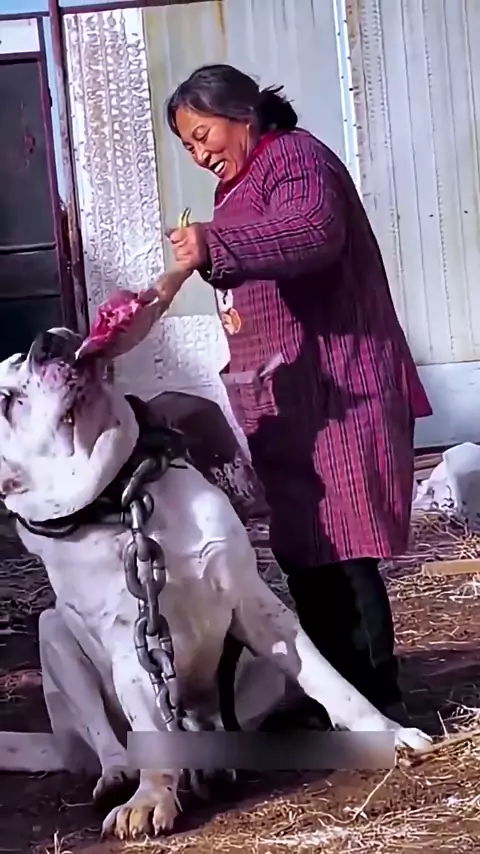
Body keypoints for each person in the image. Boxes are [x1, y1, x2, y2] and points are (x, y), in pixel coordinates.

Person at [164, 64, 432, 725]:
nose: (199, 154)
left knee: (343, 543)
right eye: (188, 145)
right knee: (304, 550)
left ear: (243, 115)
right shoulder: (238, 185)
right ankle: (331, 699)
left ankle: (377, 698)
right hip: (287, 400)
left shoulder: (295, 158)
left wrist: (214, 243)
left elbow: (312, 232)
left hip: (340, 387)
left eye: (203, 135)